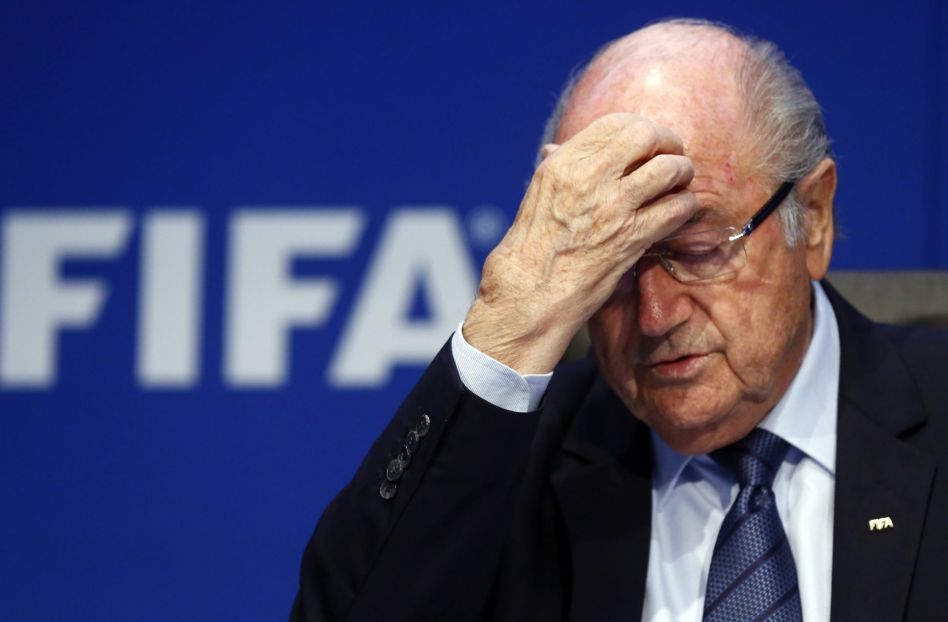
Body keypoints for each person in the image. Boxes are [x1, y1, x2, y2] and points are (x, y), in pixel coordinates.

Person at [291, 18, 948, 622]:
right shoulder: (508, 470)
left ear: (816, 218)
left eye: (697, 249)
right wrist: (506, 321)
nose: (656, 316)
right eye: (612, 265)